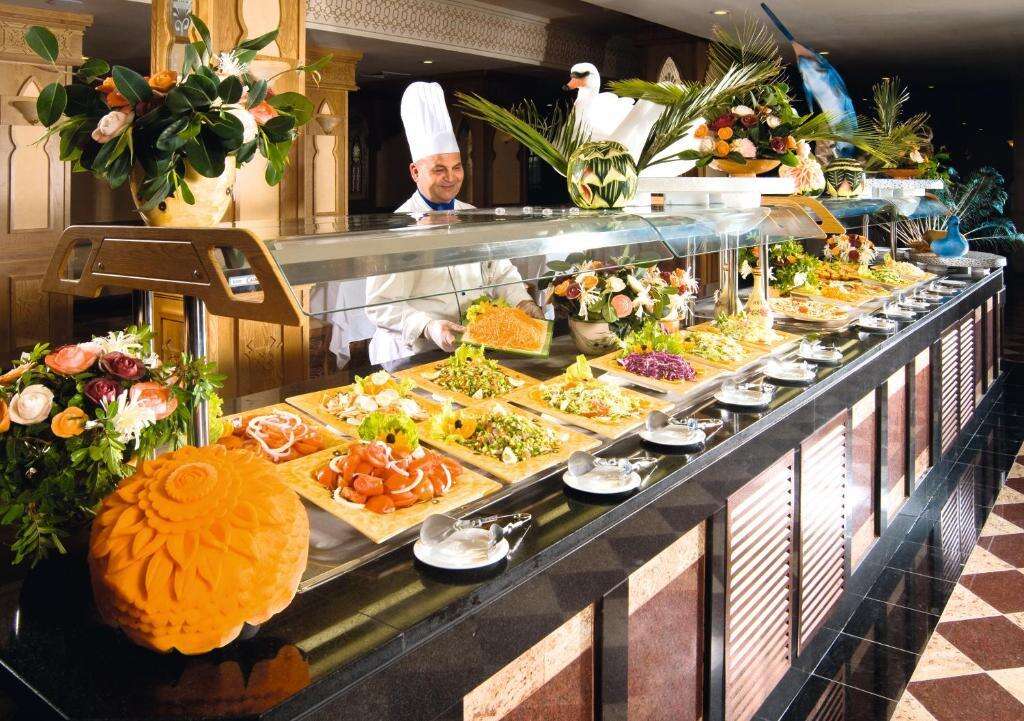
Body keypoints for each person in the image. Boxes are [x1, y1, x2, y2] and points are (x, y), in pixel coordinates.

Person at [364, 82, 543, 363]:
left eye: (456, 167)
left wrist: (522, 301)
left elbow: (501, 273)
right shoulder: (396, 228)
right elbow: (379, 306)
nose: (451, 177)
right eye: (439, 169)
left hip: (471, 348)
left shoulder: (473, 216)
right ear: (415, 172)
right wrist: (429, 326)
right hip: (413, 354)